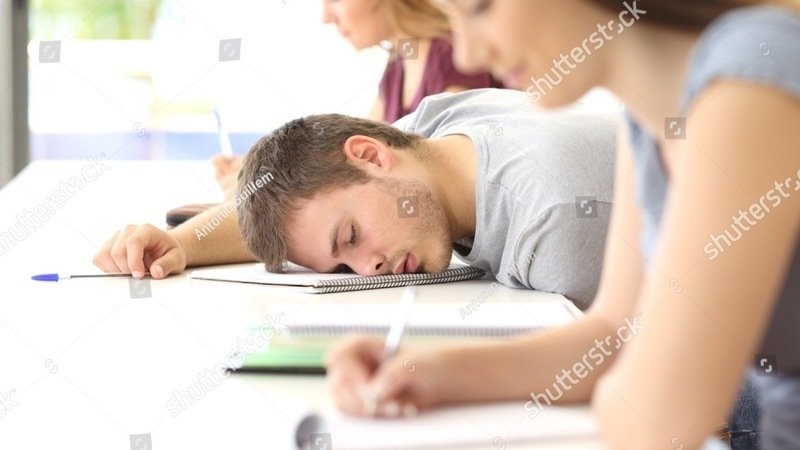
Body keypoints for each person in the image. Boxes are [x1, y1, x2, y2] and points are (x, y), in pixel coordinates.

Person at [325, 1, 800, 449]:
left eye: (481, 7)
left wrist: (629, 390)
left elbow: (659, 420)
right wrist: (428, 371)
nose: (467, 54)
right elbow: (612, 333)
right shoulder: (647, 117)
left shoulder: (747, 84)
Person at [93, 89, 616, 309]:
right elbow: (301, 213)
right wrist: (181, 244)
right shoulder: (436, 131)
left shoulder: (553, 228)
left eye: (352, 238)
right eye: (344, 264)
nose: (369, 270)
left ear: (369, 155)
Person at [211, 0, 502, 197]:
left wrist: (273, 184)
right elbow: (347, 151)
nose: (326, 17)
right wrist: (263, 171)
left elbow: (432, 177)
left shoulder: (455, 55)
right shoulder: (397, 69)